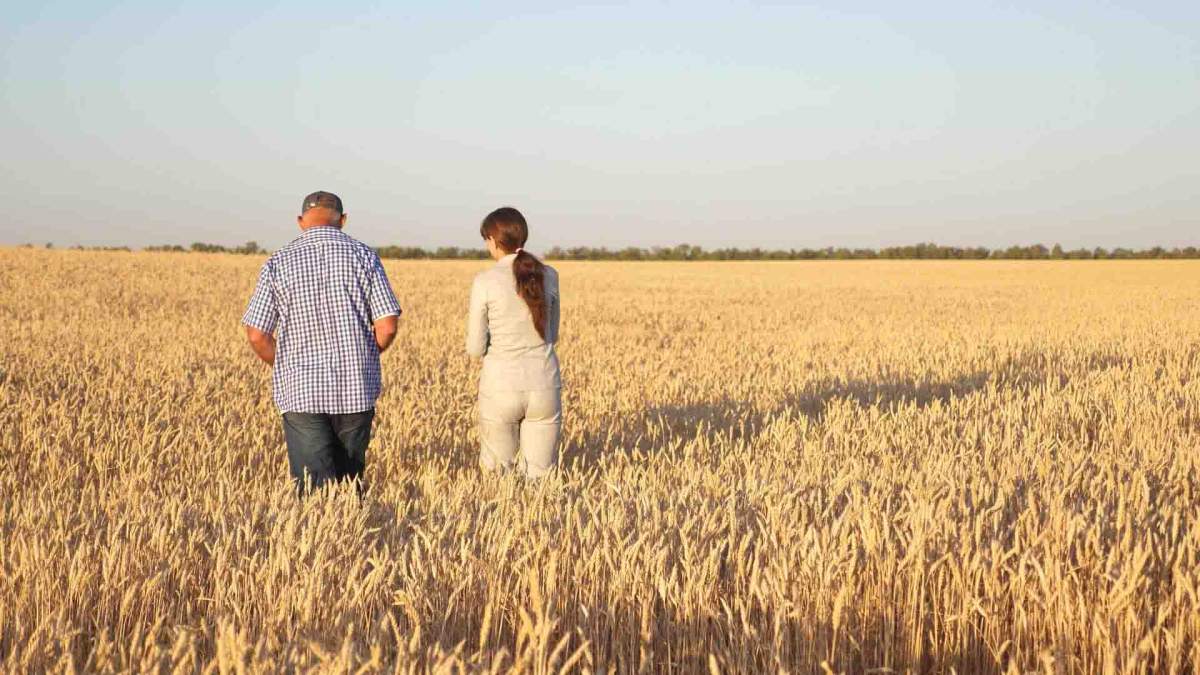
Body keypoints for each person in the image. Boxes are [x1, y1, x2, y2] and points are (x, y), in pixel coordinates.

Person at [242, 191, 401, 494]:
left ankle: (322, 537)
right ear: (342, 220)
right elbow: (387, 325)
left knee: (313, 492)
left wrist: (287, 364)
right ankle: (352, 536)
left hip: (301, 392)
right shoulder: (364, 256)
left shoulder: (279, 262)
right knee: (349, 486)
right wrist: (366, 354)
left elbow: (256, 334)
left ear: (301, 222)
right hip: (356, 387)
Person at [466, 207, 562, 478]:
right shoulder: (550, 275)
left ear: (494, 241)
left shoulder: (485, 281)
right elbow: (551, 335)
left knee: (498, 476)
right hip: (544, 384)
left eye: (486, 240)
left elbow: (474, 348)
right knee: (540, 478)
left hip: (500, 386)